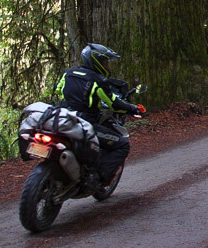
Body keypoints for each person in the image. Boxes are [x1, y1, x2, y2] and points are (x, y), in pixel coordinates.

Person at [56, 43, 143, 185]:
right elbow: (114, 104)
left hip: (62, 118)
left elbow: (58, 91)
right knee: (122, 145)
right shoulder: (98, 80)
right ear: (95, 60)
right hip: (85, 122)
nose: (107, 65)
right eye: (105, 62)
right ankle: (97, 179)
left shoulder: (68, 73)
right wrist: (134, 109)